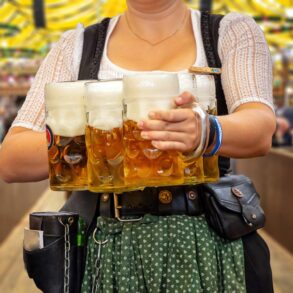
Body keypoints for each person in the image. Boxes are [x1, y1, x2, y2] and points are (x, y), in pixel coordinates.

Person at [0, 0, 276, 292]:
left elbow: (259, 129)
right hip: (105, 245)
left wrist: (206, 129)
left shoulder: (230, 31)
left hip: (208, 243)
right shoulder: (76, 45)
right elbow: (12, 159)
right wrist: (101, 141)